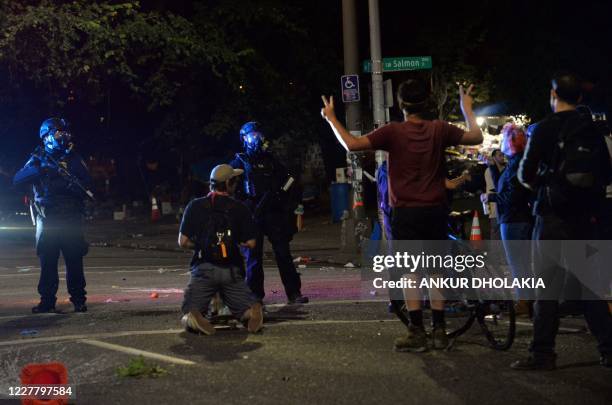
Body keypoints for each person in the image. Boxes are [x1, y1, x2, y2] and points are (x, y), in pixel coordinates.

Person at [321, 79, 483, 351]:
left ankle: (417, 330)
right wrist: (467, 108)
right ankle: (440, 331)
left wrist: (331, 118)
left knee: (410, 272)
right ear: (428, 103)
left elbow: (351, 144)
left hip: (406, 212)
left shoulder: (392, 132)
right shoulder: (439, 130)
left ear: (400, 104)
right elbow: (476, 137)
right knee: (435, 272)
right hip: (435, 210)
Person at [513, 72, 612, 370]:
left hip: (551, 220)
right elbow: (606, 174)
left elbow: (524, 174)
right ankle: (608, 349)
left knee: (546, 291)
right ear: (580, 98)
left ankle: (542, 353)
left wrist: (545, 186)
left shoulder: (543, 129)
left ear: (554, 96)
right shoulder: (592, 130)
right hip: (585, 219)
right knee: (590, 288)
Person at [13, 118, 92, 313]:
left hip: (71, 217)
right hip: (47, 219)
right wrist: (41, 169)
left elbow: (88, 183)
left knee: (74, 260)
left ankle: (78, 299)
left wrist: (74, 187)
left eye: (65, 132)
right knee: (47, 262)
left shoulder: (73, 158)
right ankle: (47, 300)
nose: (64, 136)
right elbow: (18, 179)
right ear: (47, 136)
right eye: (59, 133)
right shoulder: (38, 158)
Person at [179, 164, 264, 335]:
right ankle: (249, 313)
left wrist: (202, 246)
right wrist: (234, 242)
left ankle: (195, 317)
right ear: (228, 184)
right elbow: (252, 243)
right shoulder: (240, 208)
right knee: (242, 309)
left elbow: (182, 242)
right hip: (231, 270)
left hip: (204, 269)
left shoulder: (195, 206)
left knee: (188, 312)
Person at [230, 122, 308, 304]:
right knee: (253, 257)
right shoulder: (239, 162)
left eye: (258, 135)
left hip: (273, 213)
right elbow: (228, 185)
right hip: (251, 214)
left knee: (283, 253)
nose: (256, 139)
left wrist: (282, 195)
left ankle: (293, 292)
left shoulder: (271, 161)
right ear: (244, 139)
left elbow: (290, 180)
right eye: (252, 135)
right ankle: (255, 295)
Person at [481, 123, 533, 315]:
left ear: (511, 142)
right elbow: (505, 188)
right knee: (521, 262)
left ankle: (525, 301)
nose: (501, 142)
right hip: (514, 218)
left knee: (518, 263)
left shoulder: (517, 164)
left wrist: (491, 197)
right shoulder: (515, 162)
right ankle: (527, 299)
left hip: (514, 219)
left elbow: (513, 196)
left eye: (504, 138)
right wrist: (492, 167)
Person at [482, 149, 505, 239]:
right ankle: (496, 252)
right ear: (494, 158)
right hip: (494, 205)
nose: (502, 157)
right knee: (496, 230)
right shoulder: (489, 171)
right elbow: (496, 188)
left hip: (502, 204)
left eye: (502, 155)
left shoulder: (504, 169)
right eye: (500, 155)